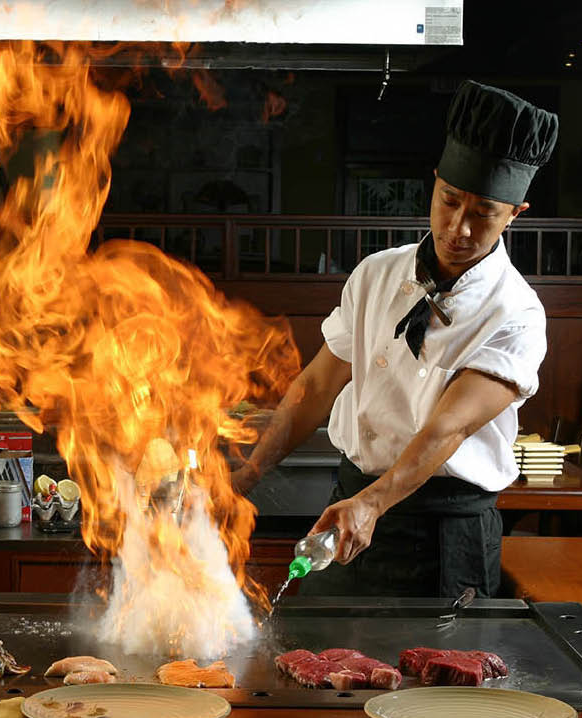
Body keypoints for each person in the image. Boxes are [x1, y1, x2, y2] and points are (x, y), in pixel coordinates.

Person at [231, 81, 559, 598]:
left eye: (483, 213)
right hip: (348, 510)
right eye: (449, 201)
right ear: (435, 184)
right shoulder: (376, 274)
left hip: (446, 531)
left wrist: (374, 503)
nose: (459, 228)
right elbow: (317, 385)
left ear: (515, 213)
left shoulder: (516, 312)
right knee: (320, 648)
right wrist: (246, 476)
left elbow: (447, 428)